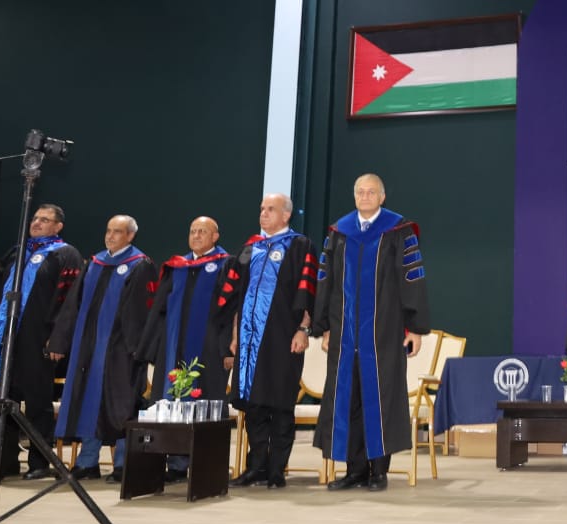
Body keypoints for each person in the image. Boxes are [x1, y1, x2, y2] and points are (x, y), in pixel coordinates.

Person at [314, 174, 432, 493]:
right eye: (360, 192)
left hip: (384, 334)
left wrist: (415, 328)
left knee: (380, 398)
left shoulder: (398, 231)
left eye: (371, 192)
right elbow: (326, 281)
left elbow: (412, 280)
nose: (365, 196)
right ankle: (354, 470)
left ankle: (379, 471)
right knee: (348, 398)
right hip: (344, 333)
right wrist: (324, 326)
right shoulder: (339, 233)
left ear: (382, 197)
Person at [48, 215, 155, 483]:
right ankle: (87, 462)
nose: (110, 236)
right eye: (108, 231)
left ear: (130, 236)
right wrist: (60, 341)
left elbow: (140, 312)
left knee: (121, 405)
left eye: (117, 231)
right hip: (88, 347)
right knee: (87, 400)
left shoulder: (139, 264)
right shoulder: (95, 263)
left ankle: (123, 464)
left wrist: (136, 349)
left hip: (121, 350)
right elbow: (73, 303)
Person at [0, 203, 85, 479]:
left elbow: (69, 302)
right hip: (5, 337)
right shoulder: (17, 253)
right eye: (35, 218)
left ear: (58, 226)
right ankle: (3, 461)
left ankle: (39, 461)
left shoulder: (66, 254)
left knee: (38, 401)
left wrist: (58, 339)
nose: (36, 223)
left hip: (39, 337)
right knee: (5, 399)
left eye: (44, 220)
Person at [221, 192, 315, 490]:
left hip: (282, 337)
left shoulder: (300, 245)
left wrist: (303, 329)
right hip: (249, 340)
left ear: (286, 215)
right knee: (253, 405)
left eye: (271, 209)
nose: (263, 213)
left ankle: (276, 469)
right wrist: (235, 336)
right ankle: (256, 467)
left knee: (280, 404)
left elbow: (307, 292)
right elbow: (237, 296)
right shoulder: (250, 248)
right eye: (262, 208)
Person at [142, 216, 232, 482]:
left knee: (206, 402)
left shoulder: (226, 265)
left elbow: (232, 310)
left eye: (203, 231)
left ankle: (207, 464)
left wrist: (229, 347)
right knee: (171, 400)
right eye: (193, 231)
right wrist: (152, 347)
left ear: (215, 236)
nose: (196, 235)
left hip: (210, 349)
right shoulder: (177, 266)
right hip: (174, 347)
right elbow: (159, 309)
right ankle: (176, 464)